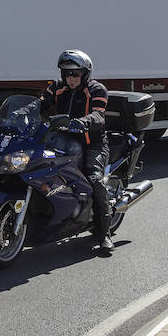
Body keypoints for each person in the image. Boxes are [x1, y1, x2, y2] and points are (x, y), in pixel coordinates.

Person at [40, 49, 113, 253]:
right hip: (62, 142)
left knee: (94, 178)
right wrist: (22, 113)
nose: (71, 78)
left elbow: (99, 116)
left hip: (93, 143)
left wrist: (81, 123)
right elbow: (39, 104)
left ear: (85, 73)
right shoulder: (56, 87)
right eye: (67, 74)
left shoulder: (97, 89)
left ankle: (104, 232)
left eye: (75, 74)